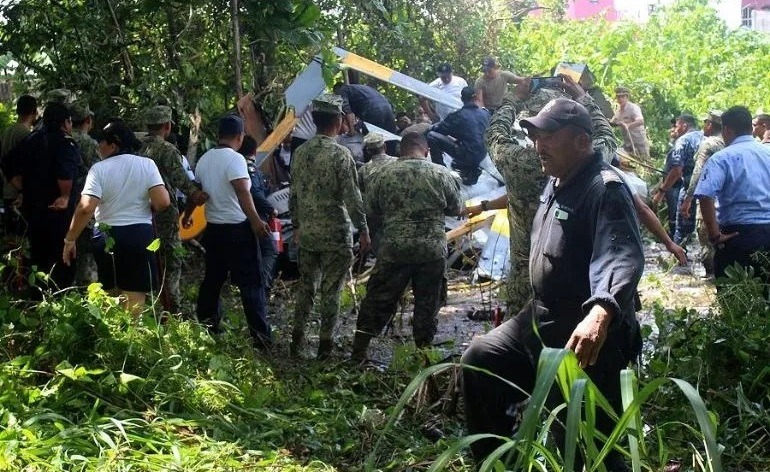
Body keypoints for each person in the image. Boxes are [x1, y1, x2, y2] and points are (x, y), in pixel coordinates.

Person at [461, 98, 643, 472]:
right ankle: (503, 463)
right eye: (535, 135)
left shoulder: (603, 187)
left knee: (590, 440)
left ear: (580, 142)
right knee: (482, 359)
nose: (538, 144)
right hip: (541, 316)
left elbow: (621, 252)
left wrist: (601, 311)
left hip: (588, 328)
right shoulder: (556, 179)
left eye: (548, 136)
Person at [464, 75, 617, 316]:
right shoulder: (586, 159)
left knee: (520, 347)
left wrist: (514, 99)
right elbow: (607, 137)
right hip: (573, 285)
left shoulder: (517, 163)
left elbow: (494, 134)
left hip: (525, 283)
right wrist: (584, 98)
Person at [351, 132, 462, 361]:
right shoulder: (440, 173)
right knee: (427, 303)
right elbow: (455, 208)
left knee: (378, 299)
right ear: (427, 151)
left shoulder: (383, 174)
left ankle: (359, 351)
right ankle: (422, 355)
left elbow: (371, 209)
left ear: (399, 151)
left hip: (394, 249)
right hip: (431, 251)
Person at [289, 94, 371, 359]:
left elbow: (294, 195)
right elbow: (353, 196)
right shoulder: (340, 154)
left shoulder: (300, 153)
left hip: (309, 233)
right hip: (335, 233)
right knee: (331, 291)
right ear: (338, 121)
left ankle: (297, 340)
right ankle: (325, 345)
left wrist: (298, 225)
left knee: (306, 287)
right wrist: (365, 229)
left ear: (314, 120)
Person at [62, 121, 170, 315]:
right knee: (135, 295)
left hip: (107, 235)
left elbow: (86, 208)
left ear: (113, 145)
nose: (98, 146)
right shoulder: (147, 165)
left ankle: (111, 339)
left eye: (101, 142)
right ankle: (131, 338)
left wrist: (70, 239)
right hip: (139, 235)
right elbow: (162, 202)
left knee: (109, 293)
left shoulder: (99, 169)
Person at [185, 114, 272, 348]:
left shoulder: (204, 159)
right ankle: (261, 338)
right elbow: (243, 191)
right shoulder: (235, 160)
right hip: (238, 230)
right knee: (251, 284)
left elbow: (197, 192)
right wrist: (255, 221)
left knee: (213, 280)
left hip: (214, 231)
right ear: (240, 137)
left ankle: (207, 326)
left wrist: (186, 216)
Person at [2, 102, 80, 289]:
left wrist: (22, 189)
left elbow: (7, 163)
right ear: (66, 122)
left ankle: (39, 298)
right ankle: (61, 297)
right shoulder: (64, 143)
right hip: (58, 212)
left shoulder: (31, 140)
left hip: (33, 209)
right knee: (62, 257)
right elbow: (64, 173)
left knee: (38, 257)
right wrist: (65, 196)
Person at [138, 105, 206, 315]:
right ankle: (171, 312)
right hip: (164, 216)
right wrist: (198, 196)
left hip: (139, 214)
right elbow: (183, 183)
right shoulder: (167, 150)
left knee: (146, 262)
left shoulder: (135, 148)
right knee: (170, 264)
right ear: (167, 126)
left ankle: (147, 308)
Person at [694, 106, 770, 284]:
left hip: (738, 236)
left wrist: (714, 235)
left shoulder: (721, 158)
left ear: (727, 130)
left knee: (734, 298)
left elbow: (705, 196)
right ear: (751, 129)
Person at [680, 111, 725, 277]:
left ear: (710, 125)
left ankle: (710, 277)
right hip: (727, 202)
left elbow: (698, 172)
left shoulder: (709, 144)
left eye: (705, 123)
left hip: (708, 199)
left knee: (706, 237)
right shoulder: (730, 142)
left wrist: (688, 198)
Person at [652, 114, 702, 245]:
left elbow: (676, 170)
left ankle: (680, 258)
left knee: (682, 228)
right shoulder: (705, 137)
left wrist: (661, 191)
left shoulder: (683, 141)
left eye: (677, 125)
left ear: (684, 126)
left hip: (687, 187)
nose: (676, 128)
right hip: (707, 190)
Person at [426, 86, 490, 185]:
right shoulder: (486, 114)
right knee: (468, 145)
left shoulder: (458, 115)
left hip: (467, 153)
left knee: (431, 135)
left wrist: (429, 129)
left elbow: (439, 130)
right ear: (476, 98)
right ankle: (471, 170)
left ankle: (440, 172)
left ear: (462, 99)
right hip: (483, 154)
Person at [239, 135, 278, 288]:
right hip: (256, 217)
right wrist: (271, 209)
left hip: (241, 217)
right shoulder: (250, 168)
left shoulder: (237, 165)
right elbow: (254, 192)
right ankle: (263, 285)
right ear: (254, 151)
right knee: (270, 250)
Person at [69, 101, 101, 285]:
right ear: (88, 120)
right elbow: (99, 173)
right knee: (86, 256)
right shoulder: (89, 143)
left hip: (60, 206)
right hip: (85, 206)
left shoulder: (61, 138)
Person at [0, 94, 37, 235]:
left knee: (10, 235)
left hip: (7, 188)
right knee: (21, 237)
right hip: (19, 192)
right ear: (34, 112)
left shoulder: (7, 131)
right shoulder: (25, 133)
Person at [332, 82, 399, 154]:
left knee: (372, 140)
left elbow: (348, 112)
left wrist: (352, 130)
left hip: (372, 110)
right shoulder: (360, 88)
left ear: (336, 90)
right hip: (387, 108)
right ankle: (394, 158)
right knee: (390, 137)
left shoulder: (342, 91)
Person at [609, 86, 650, 159]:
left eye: (622, 97)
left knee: (644, 162)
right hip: (628, 144)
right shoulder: (619, 111)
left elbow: (641, 121)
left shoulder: (633, 108)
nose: (620, 99)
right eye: (618, 97)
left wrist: (628, 125)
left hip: (639, 143)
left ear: (627, 97)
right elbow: (613, 122)